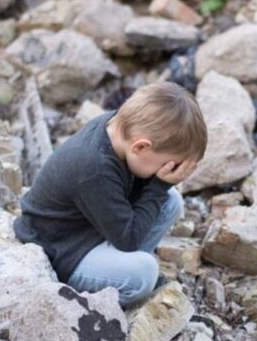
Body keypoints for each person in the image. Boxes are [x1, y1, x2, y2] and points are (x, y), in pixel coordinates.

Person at [13, 82, 208, 307]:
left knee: (171, 201)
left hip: (87, 229)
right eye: (166, 165)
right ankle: (94, 301)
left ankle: (119, 265)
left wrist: (161, 185)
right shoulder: (94, 167)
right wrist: (159, 185)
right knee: (143, 273)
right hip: (59, 252)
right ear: (141, 147)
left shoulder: (119, 128)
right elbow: (129, 239)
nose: (167, 172)